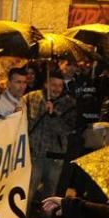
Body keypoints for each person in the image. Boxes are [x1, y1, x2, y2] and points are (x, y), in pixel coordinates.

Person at [25, 71, 76, 208]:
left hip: (55, 158)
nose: (56, 89)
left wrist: (53, 115)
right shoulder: (30, 98)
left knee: (50, 195)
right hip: (34, 154)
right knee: (28, 191)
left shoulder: (69, 103)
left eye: (60, 85)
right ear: (46, 84)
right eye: (53, 84)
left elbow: (66, 130)